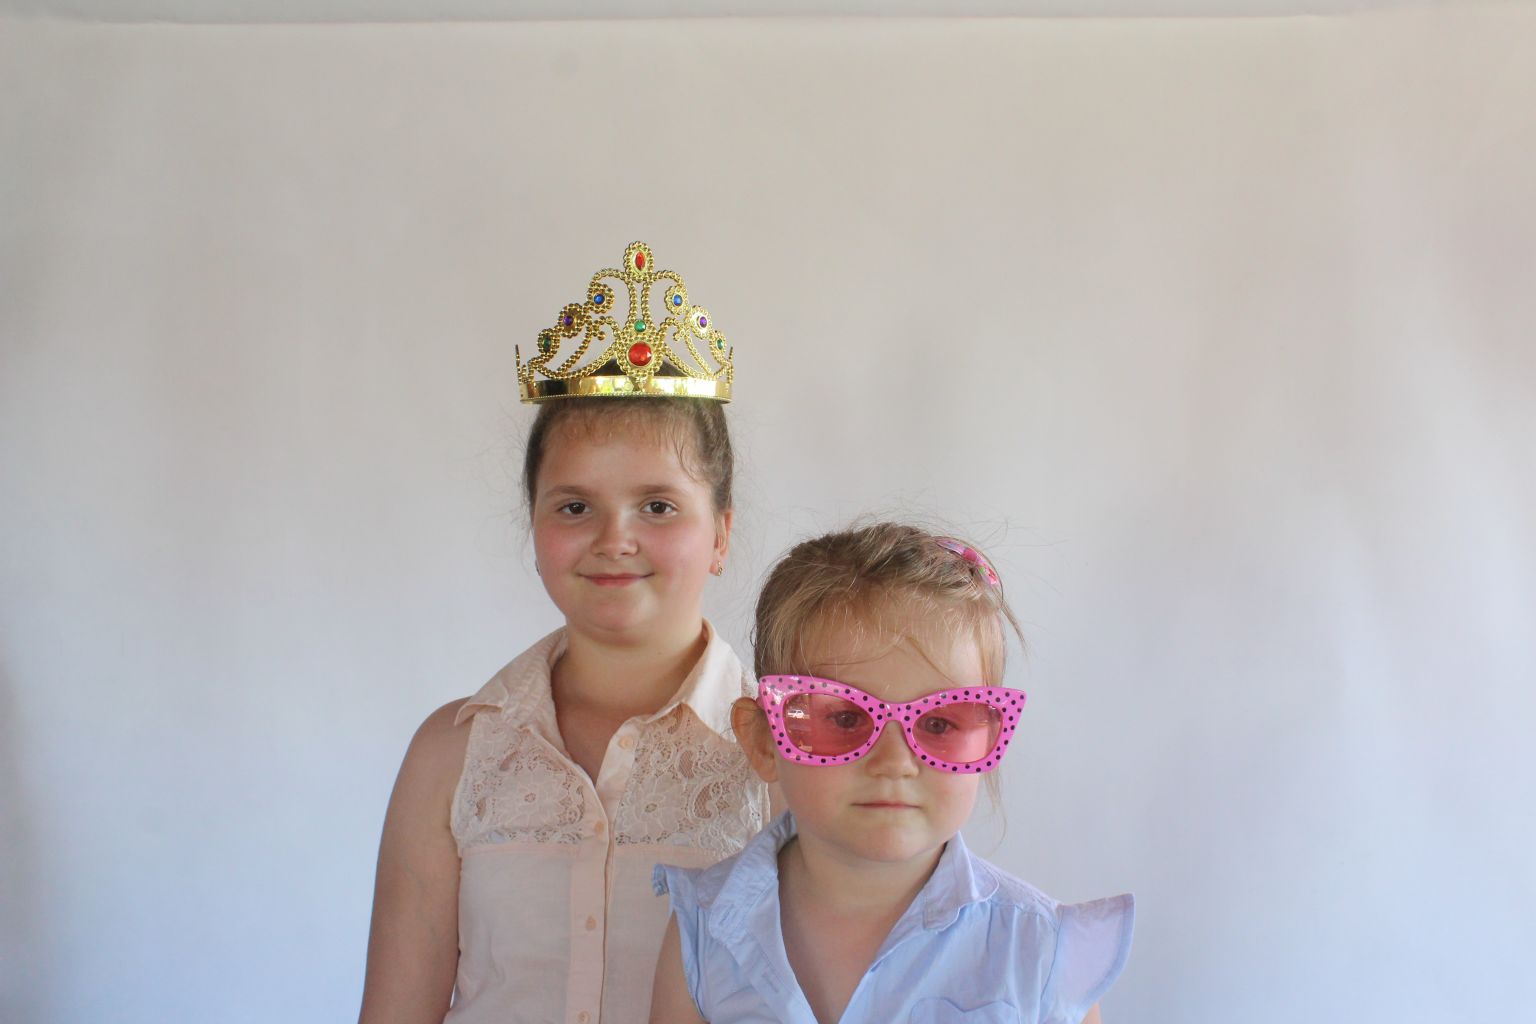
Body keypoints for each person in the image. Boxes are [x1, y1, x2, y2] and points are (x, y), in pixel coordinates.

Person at [360, 242, 770, 1024]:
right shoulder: (452, 754)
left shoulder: (780, 758)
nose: (614, 539)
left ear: (721, 533)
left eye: (658, 506)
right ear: (535, 523)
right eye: (575, 507)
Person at [650, 523, 1134, 1024]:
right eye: (843, 718)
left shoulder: (1042, 958)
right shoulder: (703, 930)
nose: (895, 762)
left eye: (940, 723)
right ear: (763, 741)